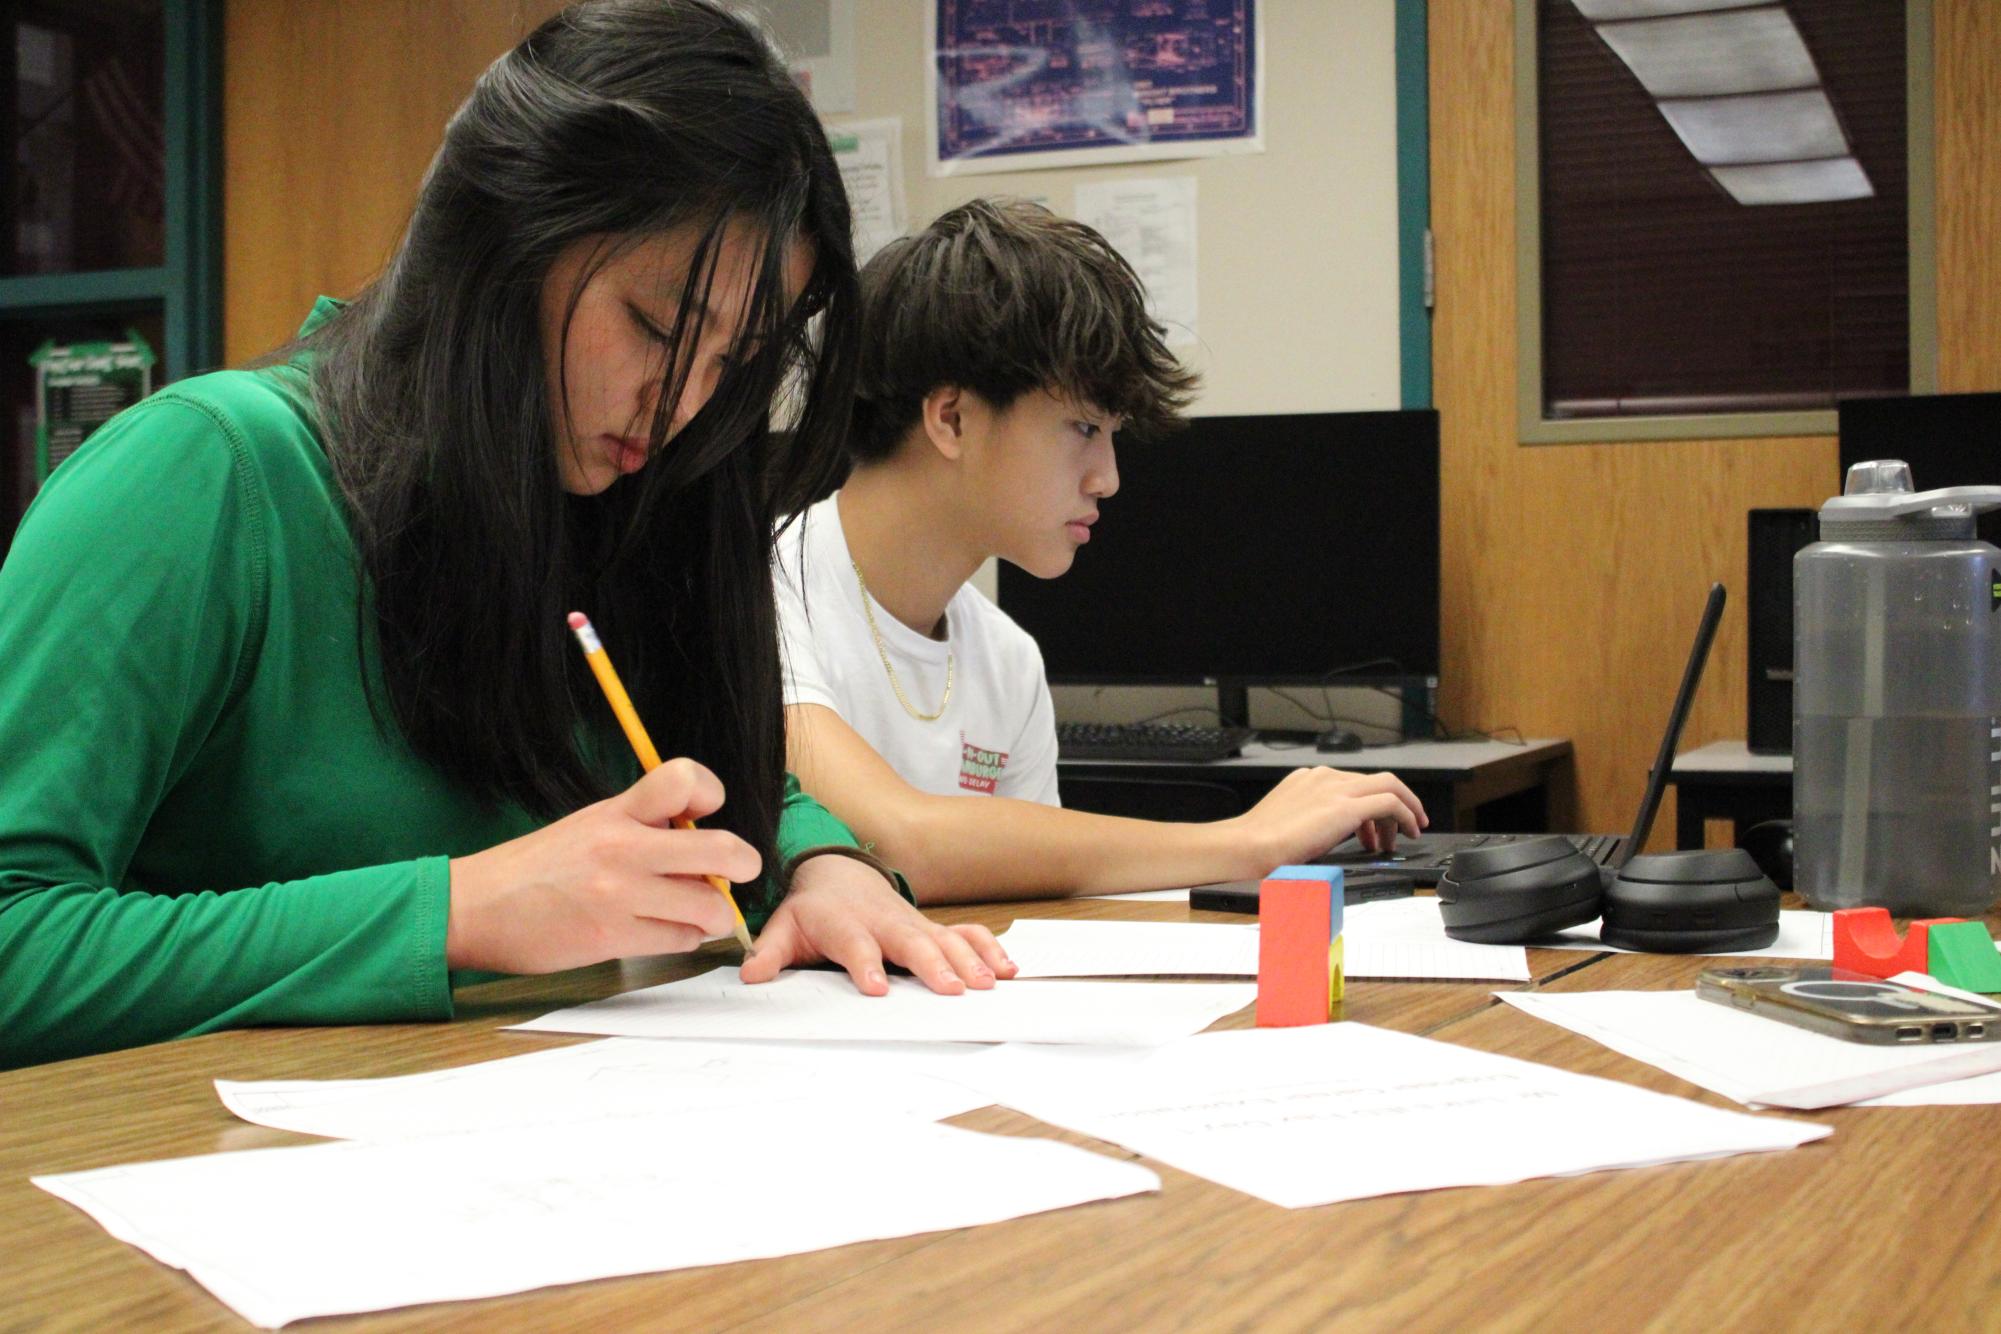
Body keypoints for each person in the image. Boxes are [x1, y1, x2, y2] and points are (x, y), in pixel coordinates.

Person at [0, 0, 1010, 1071]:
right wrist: (458, 910)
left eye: (731, 366)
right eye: (659, 326)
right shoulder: (207, 473)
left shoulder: (597, 498)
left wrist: (817, 867)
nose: (682, 406)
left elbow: (700, 770)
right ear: (506, 240)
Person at [776, 199, 1428, 901]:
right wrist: (1248, 840)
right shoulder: (761, 592)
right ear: (953, 419)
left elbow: (1036, 889)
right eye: (1083, 427)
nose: (1108, 478)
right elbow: (893, 844)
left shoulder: (1005, 656)